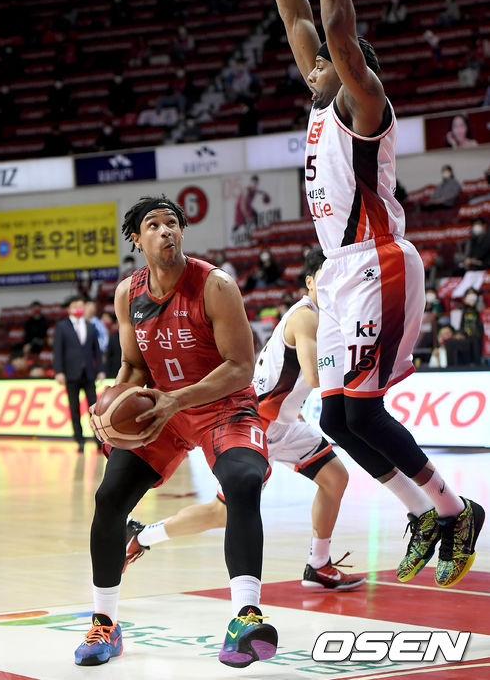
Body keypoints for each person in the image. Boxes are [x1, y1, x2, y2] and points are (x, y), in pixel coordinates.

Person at [246, 0, 484, 590]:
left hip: (379, 260)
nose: (312, 62)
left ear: (350, 71)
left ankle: (456, 510)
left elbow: (334, 26)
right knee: (339, 421)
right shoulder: (322, 103)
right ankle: (424, 511)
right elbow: (296, 20)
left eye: (325, 61)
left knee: (363, 410)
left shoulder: (365, 102)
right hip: (343, 271)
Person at [74, 196, 278, 668]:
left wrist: (176, 401)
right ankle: (105, 623)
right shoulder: (128, 294)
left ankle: (245, 618)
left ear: (182, 233)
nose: (166, 230)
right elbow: (133, 365)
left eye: (173, 223)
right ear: (136, 239)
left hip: (222, 405)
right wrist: (111, 407)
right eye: (153, 224)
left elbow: (241, 367)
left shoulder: (215, 285)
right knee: (109, 499)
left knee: (243, 482)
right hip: (161, 409)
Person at [125, 249, 366, 591]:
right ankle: (141, 536)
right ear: (310, 282)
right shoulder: (306, 317)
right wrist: (365, 368)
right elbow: (315, 376)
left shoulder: (327, 318)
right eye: (326, 277)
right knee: (223, 513)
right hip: (259, 422)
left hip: (282, 421)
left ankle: (318, 565)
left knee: (335, 478)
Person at [53, 296, 105, 452]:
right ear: (69, 308)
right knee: (74, 408)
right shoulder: (61, 327)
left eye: (81, 305)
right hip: (71, 374)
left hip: (88, 373)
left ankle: (98, 439)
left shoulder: (90, 326)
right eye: (75, 305)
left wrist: (101, 369)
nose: (79, 308)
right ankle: (79, 440)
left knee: (94, 408)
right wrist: (59, 371)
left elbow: (97, 351)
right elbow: (58, 351)